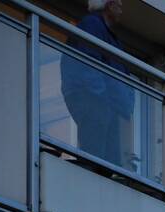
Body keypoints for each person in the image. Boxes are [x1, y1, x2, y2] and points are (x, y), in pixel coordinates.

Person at [60, 0, 134, 168]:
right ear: (109, 5)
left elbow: (123, 74)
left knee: (110, 161)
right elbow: (87, 63)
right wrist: (102, 96)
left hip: (107, 105)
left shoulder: (109, 36)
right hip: (95, 100)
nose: (121, 10)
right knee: (95, 154)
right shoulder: (92, 26)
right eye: (119, 5)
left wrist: (125, 103)